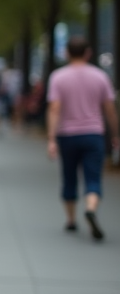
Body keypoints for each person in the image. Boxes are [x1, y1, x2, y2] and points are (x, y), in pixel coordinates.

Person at [47, 36, 118, 241]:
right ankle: (91, 208)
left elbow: (54, 108)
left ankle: (71, 220)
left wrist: (51, 138)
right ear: (88, 53)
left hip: (67, 134)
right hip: (93, 133)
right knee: (93, 177)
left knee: (69, 176)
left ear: (66, 53)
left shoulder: (58, 77)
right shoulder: (100, 76)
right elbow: (109, 109)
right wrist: (115, 134)